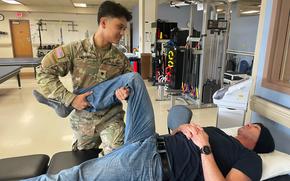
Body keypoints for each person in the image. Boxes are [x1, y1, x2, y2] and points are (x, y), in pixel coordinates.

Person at [27, 72, 275, 181]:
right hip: (149, 140)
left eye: (256, 127)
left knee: (75, 177)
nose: (249, 123)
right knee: (133, 80)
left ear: (259, 141)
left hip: (152, 165)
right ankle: (72, 102)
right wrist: (182, 130)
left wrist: (205, 148)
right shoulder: (221, 132)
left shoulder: (249, 160)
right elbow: (181, 133)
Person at [35, 1, 132, 154]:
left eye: (124, 29)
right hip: (84, 120)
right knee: (83, 159)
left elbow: (130, 86)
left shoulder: (121, 59)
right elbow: (44, 71)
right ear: (103, 23)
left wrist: (124, 92)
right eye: (120, 27)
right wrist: (70, 98)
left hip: (112, 118)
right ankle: (61, 106)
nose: (123, 32)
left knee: (117, 157)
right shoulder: (74, 50)